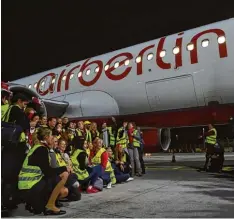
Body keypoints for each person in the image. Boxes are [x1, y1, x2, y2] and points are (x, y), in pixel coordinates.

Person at [18, 127, 69, 215]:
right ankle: (50, 205)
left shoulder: (38, 148)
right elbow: (48, 172)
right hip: (30, 187)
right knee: (64, 174)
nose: (52, 138)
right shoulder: (41, 150)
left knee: (61, 188)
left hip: (28, 186)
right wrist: (64, 168)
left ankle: (36, 204)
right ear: (46, 137)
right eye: (51, 137)